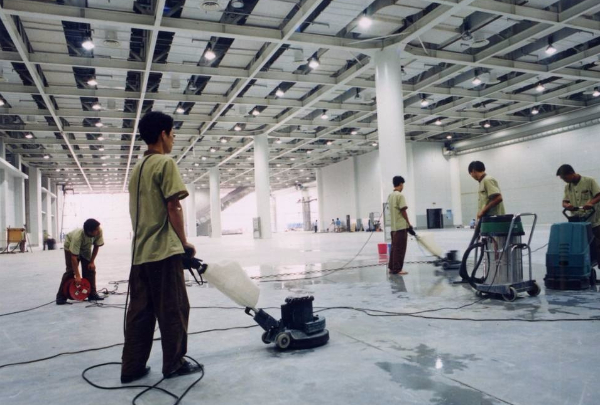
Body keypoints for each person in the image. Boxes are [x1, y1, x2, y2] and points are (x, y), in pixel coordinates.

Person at [120, 111, 201, 384]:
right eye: (173, 134)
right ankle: (174, 364)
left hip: (139, 254)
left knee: (140, 313)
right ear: (163, 134)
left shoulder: (136, 169)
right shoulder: (165, 163)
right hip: (163, 252)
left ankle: (131, 368)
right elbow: (173, 205)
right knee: (174, 308)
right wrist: (184, 242)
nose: (174, 139)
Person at [557, 164, 600, 264]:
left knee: (598, 247)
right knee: (583, 248)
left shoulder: (589, 181)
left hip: (594, 222)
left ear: (571, 173)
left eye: (565, 178)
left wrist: (591, 203)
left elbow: (599, 195)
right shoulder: (568, 187)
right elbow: (564, 202)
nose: (564, 180)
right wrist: (567, 205)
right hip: (578, 224)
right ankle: (586, 268)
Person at [55, 219, 105, 304]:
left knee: (90, 269)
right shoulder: (77, 237)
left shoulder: (99, 230)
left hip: (85, 248)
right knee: (70, 271)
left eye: (98, 228)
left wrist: (92, 262)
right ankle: (61, 297)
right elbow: (74, 257)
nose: (98, 230)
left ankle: (92, 294)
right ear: (89, 231)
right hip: (70, 247)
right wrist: (77, 275)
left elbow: (96, 246)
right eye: (96, 230)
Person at [387, 176, 415, 275]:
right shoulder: (400, 195)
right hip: (401, 227)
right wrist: (409, 224)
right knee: (400, 249)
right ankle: (398, 269)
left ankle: (392, 267)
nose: (403, 186)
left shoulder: (390, 196)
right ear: (401, 184)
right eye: (403, 184)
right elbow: (403, 211)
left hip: (393, 228)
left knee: (394, 248)